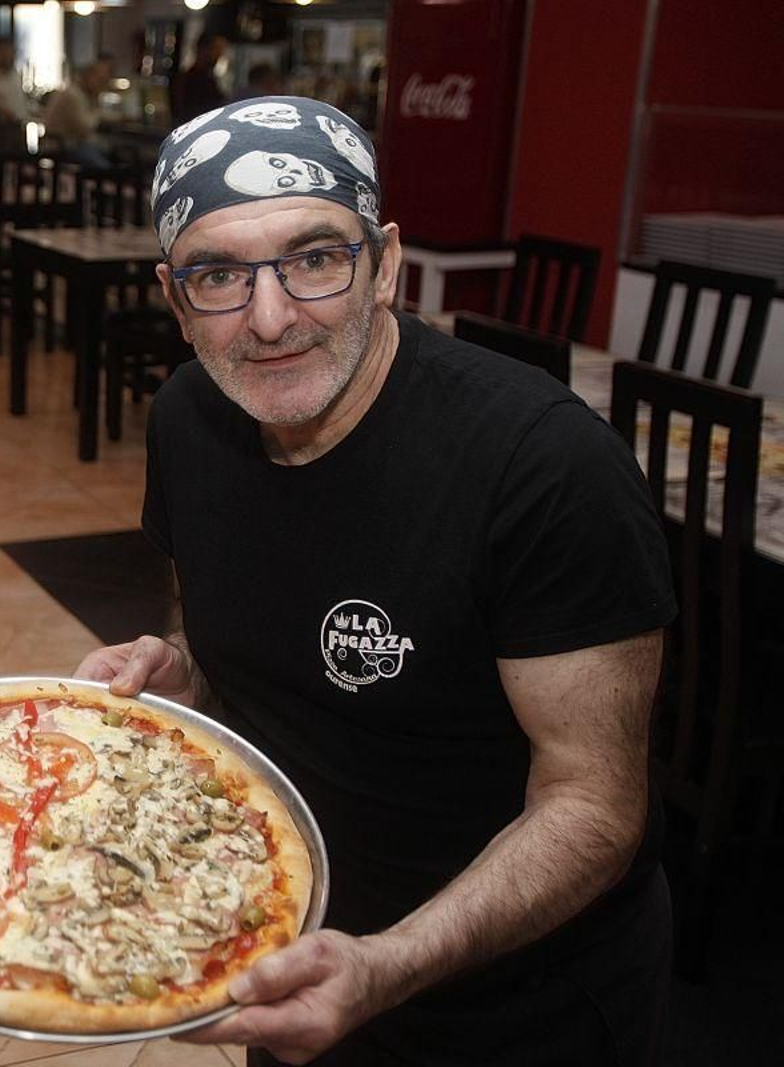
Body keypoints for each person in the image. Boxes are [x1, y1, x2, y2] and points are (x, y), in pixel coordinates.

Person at [77, 98, 675, 1065]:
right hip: (296, 950)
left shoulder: (544, 464)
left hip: (514, 1003)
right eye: (220, 275)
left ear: (385, 264)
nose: (269, 320)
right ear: (175, 299)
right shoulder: (189, 417)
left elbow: (596, 805)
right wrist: (186, 675)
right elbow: (224, 629)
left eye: (315, 259)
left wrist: (387, 963)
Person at [43, 55, 114, 171]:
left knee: (109, 151)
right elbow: (84, 128)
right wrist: (96, 107)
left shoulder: (79, 93)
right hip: (62, 148)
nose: (102, 85)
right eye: (100, 80)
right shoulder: (73, 95)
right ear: (90, 76)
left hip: (69, 144)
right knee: (104, 167)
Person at [171, 32, 228, 125]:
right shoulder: (192, 79)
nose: (219, 54)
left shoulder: (209, 78)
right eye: (216, 49)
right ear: (203, 49)